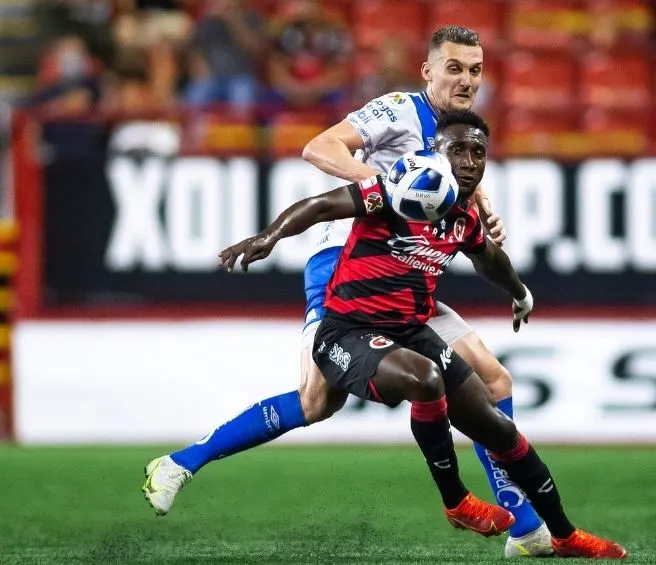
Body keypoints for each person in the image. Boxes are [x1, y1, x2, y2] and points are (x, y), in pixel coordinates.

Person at [143, 25, 617, 558]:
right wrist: (391, 188)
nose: (466, 80)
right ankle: (181, 463)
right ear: (428, 71)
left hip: (409, 275)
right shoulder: (398, 110)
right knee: (316, 400)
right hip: (347, 259)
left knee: (493, 377)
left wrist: (480, 210)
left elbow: (452, 192)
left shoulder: (458, 134)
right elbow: (318, 147)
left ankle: (524, 526)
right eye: (454, 68)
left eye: (475, 70)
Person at [217, 110, 627, 560]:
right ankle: (456, 501)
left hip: (410, 330)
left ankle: (565, 535)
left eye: (478, 152)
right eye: (458, 150)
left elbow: (488, 257)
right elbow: (321, 206)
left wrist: (520, 293)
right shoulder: (396, 189)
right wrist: (268, 237)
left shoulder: (461, 217)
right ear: (435, 153)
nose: (470, 161)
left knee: (499, 429)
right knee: (425, 379)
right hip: (345, 333)